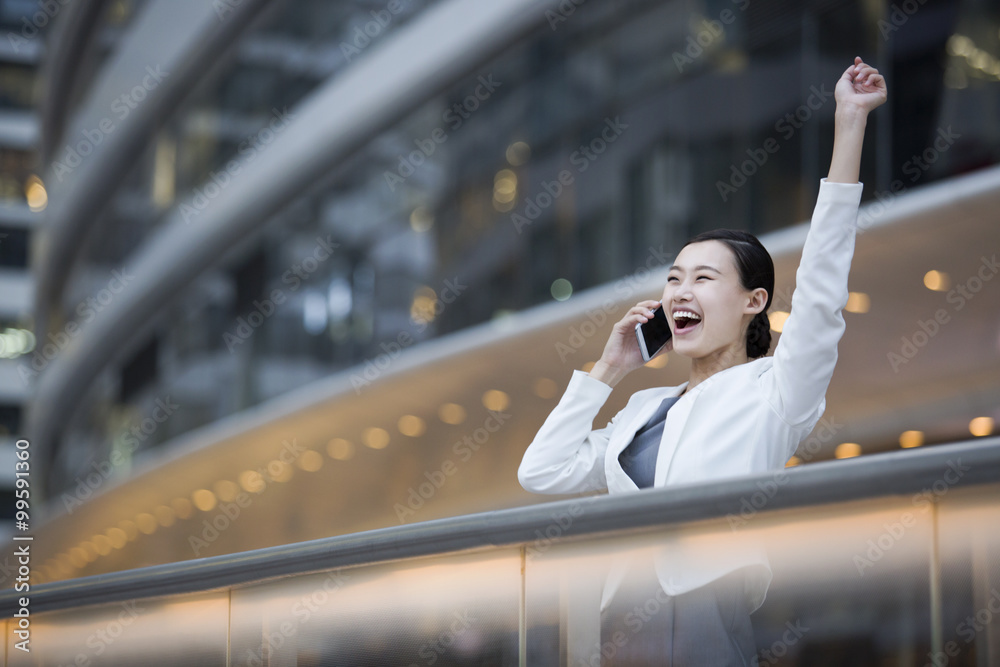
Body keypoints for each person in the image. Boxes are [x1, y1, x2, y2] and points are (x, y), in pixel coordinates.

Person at [517, 57, 887, 665]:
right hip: (618, 625)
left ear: (753, 301)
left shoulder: (776, 390)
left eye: (703, 277)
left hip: (707, 618)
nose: (679, 291)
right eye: (673, 278)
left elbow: (822, 285)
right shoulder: (644, 408)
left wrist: (849, 122)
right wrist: (608, 370)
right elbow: (542, 471)